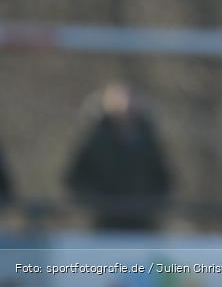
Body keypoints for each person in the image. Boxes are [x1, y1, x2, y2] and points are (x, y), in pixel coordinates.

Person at [65, 82, 171, 230]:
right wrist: (98, 202)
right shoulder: (96, 139)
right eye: (119, 100)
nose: (126, 106)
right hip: (105, 223)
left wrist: (150, 203)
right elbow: (75, 177)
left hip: (142, 223)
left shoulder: (148, 139)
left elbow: (164, 178)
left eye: (130, 99)